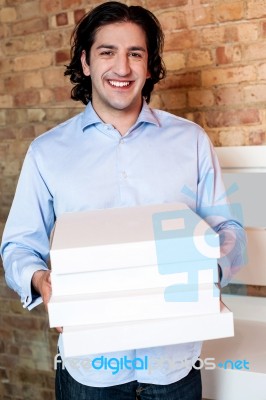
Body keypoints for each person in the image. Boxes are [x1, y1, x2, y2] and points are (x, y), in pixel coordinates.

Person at [1, 2, 246, 399]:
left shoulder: (192, 142)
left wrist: (210, 270)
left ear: (149, 66)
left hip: (174, 365)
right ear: (85, 62)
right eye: (107, 52)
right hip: (89, 371)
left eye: (135, 53)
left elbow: (227, 228)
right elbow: (19, 244)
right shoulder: (47, 152)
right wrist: (39, 280)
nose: (122, 67)